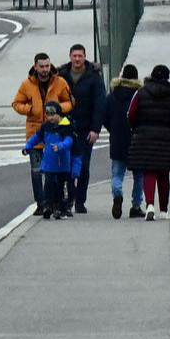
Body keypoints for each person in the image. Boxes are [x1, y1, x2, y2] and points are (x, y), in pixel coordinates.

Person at [12, 53, 73, 216]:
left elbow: (71, 101)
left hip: (55, 133)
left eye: (47, 66)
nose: (45, 69)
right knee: (36, 171)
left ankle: (54, 202)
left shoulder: (60, 82)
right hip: (36, 131)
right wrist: (30, 109)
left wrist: (58, 109)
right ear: (35, 67)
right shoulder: (27, 84)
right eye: (42, 66)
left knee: (54, 172)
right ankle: (41, 204)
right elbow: (16, 103)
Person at [127, 64, 170, 221]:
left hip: (144, 136)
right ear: (167, 77)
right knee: (163, 173)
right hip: (166, 137)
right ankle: (164, 210)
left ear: (152, 76)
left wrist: (137, 128)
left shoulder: (141, 93)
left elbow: (131, 114)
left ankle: (149, 205)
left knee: (149, 172)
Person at [57, 43, 107, 215]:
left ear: (85, 57)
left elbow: (99, 104)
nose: (77, 59)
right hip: (66, 127)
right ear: (70, 57)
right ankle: (69, 199)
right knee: (67, 164)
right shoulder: (62, 75)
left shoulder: (94, 77)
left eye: (80, 56)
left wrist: (95, 129)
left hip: (86, 128)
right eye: (75, 56)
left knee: (84, 165)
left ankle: (80, 200)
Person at [23, 102, 80, 220]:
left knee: (60, 187)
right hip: (49, 163)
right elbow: (36, 137)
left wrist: (60, 146)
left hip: (62, 164)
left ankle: (60, 208)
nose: (50, 118)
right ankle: (47, 206)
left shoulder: (66, 127)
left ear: (59, 114)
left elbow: (69, 141)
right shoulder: (46, 127)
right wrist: (28, 146)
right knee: (48, 185)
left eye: (53, 115)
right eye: (48, 115)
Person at [104, 64, 146, 219]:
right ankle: (136, 206)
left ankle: (117, 195)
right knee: (139, 175)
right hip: (137, 139)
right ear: (136, 78)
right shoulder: (140, 96)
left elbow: (104, 117)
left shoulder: (112, 97)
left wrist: (113, 129)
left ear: (121, 77)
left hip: (117, 139)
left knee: (117, 173)